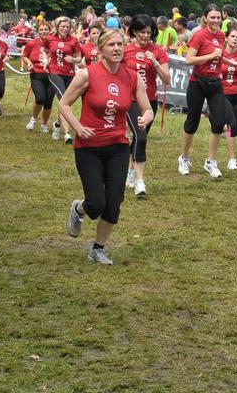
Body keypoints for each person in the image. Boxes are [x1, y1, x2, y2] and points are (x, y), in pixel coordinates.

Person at [59, 29, 154, 265]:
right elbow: (64, 104)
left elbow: (148, 108)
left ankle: (98, 249)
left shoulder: (132, 77)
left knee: (114, 202)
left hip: (118, 146)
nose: (117, 48)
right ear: (100, 49)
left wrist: (145, 118)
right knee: (96, 204)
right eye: (111, 44)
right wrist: (78, 127)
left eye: (120, 44)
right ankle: (79, 209)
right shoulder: (87, 74)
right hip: (88, 147)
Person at [178, 4, 229, 178]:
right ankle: (184, 158)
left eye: (218, 17)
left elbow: (220, 56)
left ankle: (210, 161)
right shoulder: (199, 35)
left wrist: (232, 63)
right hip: (198, 82)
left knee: (219, 121)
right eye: (212, 17)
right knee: (193, 121)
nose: (216, 20)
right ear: (205, 18)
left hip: (215, 82)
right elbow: (188, 60)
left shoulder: (221, 35)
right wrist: (211, 56)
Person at [122, 14, 171, 197]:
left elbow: (167, 79)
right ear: (134, 32)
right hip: (131, 100)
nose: (145, 36)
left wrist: (155, 63)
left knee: (138, 138)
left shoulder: (158, 51)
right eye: (142, 32)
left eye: (148, 33)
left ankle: (129, 171)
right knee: (140, 137)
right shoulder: (125, 51)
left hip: (150, 101)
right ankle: (140, 181)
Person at [216, 26, 237, 171]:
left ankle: (225, 129)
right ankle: (232, 159)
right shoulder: (220, 54)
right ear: (226, 38)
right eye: (233, 36)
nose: (235, 39)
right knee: (232, 125)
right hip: (223, 93)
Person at [45, 16, 83, 144]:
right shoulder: (50, 38)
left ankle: (57, 124)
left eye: (67, 27)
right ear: (57, 27)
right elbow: (45, 50)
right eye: (62, 26)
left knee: (66, 103)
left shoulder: (73, 40)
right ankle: (67, 133)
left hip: (69, 74)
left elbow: (79, 58)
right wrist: (45, 59)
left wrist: (73, 60)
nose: (65, 29)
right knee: (63, 99)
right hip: (54, 72)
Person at [22, 21, 53, 133]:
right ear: (38, 31)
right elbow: (24, 56)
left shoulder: (53, 43)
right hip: (36, 74)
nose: (43, 31)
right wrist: (28, 62)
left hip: (52, 75)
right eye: (41, 30)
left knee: (48, 102)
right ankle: (33, 119)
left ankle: (44, 124)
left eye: (46, 29)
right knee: (40, 98)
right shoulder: (32, 43)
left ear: (49, 30)